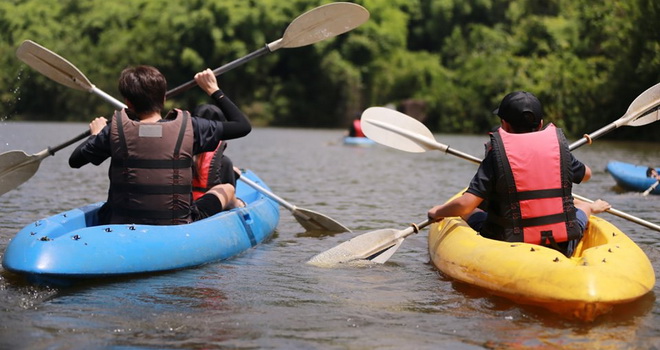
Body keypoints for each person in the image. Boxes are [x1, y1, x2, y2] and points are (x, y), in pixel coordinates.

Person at [427, 91, 611, 257]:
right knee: (582, 209)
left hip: (509, 242)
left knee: (470, 211)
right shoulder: (559, 151)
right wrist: (566, 159)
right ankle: (590, 207)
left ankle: (588, 207)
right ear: (540, 124)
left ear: (503, 125)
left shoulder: (496, 156)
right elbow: (587, 175)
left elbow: (465, 205)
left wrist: (438, 211)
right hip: (562, 244)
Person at [69, 66, 251, 225]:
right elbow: (242, 126)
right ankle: (237, 204)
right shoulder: (191, 128)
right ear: (164, 98)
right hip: (178, 223)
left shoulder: (113, 131)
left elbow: (75, 161)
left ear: (128, 102)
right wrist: (213, 90)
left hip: (121, 221)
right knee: (226, 188)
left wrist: (96, 135)